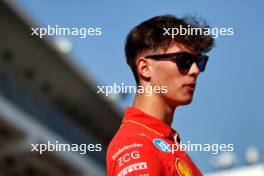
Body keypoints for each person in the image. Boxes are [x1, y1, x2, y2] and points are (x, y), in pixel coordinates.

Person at [107, 15, 214, 176]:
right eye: (184, 60)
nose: (195, 71)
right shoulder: (136, 144)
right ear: (145, 68)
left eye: (199, 61)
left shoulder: (162, 141)